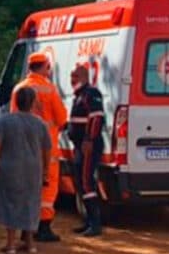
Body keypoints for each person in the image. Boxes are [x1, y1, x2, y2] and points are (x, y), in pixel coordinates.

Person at [10, 51, 68, 242]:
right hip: (46, 149)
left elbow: (13, 117)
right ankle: (43, 228)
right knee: (47, 188)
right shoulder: (49, 90)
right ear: (44, 67)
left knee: (25, 187)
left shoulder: (18, 89)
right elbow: (61, 118)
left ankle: (25, 229)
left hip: (22, 148)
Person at [0, 86, 52, 254]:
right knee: (31, 203)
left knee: (9, 202)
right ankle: (30, 243)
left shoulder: (5, 121)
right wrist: (46, 169)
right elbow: (47, 148)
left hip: (10, 167)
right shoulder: (40, 123)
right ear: (33, 103)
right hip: (33, 170)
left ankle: (11, 244)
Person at [68, 64, 106, 237]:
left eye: (74, 77)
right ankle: (88, 221)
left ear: (83, 77)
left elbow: (97, 118)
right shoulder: (79, 96)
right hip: (79, 145)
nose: (71, 80)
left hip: (88, 145)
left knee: (86, 181)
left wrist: (89, 139)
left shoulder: (91, 94)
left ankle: (95, 223)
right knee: (80, 182)